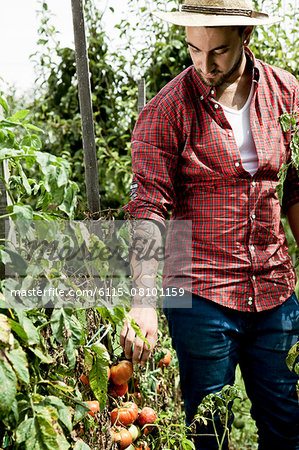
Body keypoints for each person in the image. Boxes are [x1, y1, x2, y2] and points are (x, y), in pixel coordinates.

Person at [120, 0, 299, 448]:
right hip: (202, 297)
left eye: (217, 51)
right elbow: (149, 206)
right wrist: (144, 301)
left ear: (246, 36)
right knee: (208, 435)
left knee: (290, 425)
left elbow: (294, 187)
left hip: (276, 293)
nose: (204, 64)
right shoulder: (169, 108)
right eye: (193, 50)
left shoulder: (285, 93)